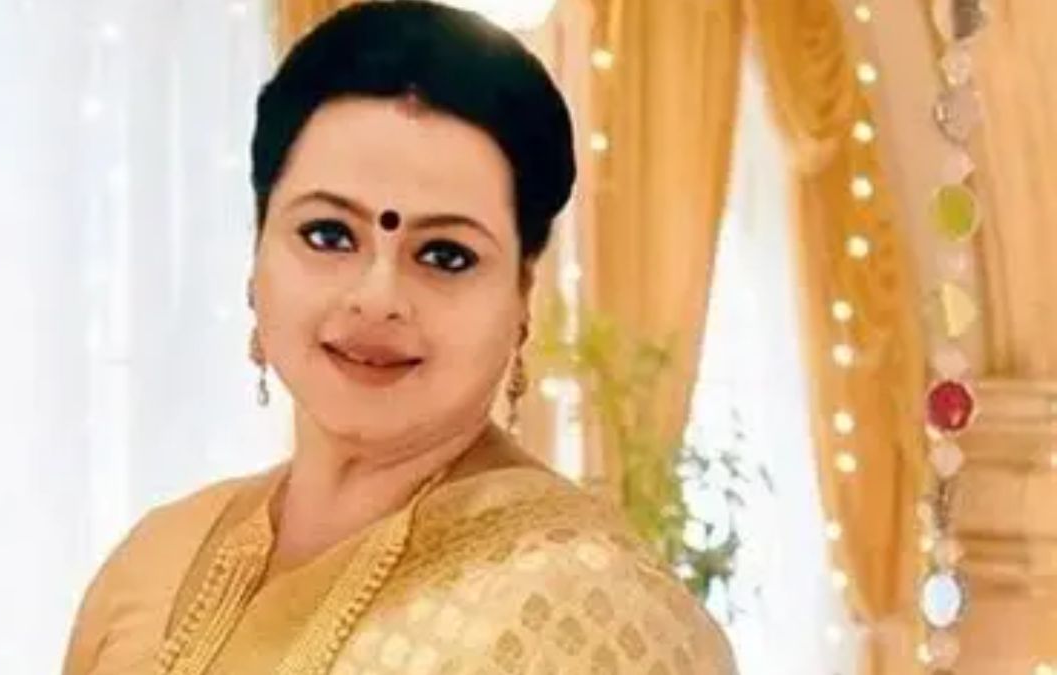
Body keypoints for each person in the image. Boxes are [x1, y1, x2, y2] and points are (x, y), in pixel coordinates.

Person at [61, 2, 735, 673]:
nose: (377, 298)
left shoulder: (592, 609)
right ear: (257, 251)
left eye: (445, 254)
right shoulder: (156, 559)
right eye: (328, 234)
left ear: (521, 294)